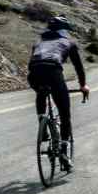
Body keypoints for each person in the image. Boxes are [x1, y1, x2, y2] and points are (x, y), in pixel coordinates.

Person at [27, 16, 89, 169]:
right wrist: (83, 86)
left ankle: (43, 125)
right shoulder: (69, 42)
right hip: (53, 71)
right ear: (64, 31)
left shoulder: (38, 42)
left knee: (41, 92)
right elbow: (79, 68)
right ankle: (63, 152)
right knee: (64, 114)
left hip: (33, 73)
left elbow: (33, 62)